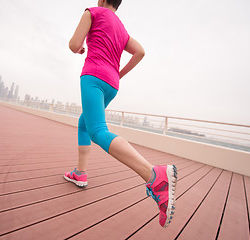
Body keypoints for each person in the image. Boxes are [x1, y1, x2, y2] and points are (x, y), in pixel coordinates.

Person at [64, 0, 177, 228]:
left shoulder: (93, 12)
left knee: (97, 130)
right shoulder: (121, 29)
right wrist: (118, 73)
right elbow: (140, 51)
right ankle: (80, 172)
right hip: (112, 84)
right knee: (84, 123)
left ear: (102, 0)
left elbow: (73, 43)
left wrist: (78, 48)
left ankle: (154, 175)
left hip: (93, 77)